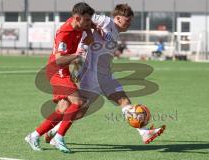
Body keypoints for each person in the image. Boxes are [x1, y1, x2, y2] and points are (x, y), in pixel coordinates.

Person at [44, 4, 165, 153]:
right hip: (91, 75)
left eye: (130, 21)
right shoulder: (106, 21)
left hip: (105, 75)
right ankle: (54, 132)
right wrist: (91, 31)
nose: (129, 24)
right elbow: (84, 18)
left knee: (124, 101)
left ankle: (145, 133)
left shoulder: (115, 32)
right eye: (127, 21)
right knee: (80, 110)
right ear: (118, 18)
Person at [25, 2, 95, 153]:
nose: (90, 23)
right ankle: (59, 137)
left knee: (63, 108)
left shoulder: (80, 23)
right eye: (87, 21)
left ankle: (34, 135)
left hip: (63, 71)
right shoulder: (65, 33)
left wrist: (89, 33)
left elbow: (89, 26)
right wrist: (77, 56)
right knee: (79, 102)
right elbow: (58, 60)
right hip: (56, 70)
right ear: (77, 18)